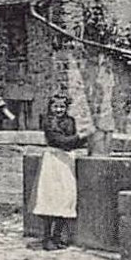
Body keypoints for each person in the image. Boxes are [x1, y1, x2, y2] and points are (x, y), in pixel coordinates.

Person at [34, 93, 89, 250]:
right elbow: (58, 141)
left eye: (62, 107)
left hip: (66, 161)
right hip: (53, 160)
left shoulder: (70, 121)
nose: (59, 110)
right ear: (50, 107)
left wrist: (80, 140)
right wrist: (81, 137)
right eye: (55, 106)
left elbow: (72, 142)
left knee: (65, 198)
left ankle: (57, 236)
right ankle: (47, 238)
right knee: (50, 197)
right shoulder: (48, 121)